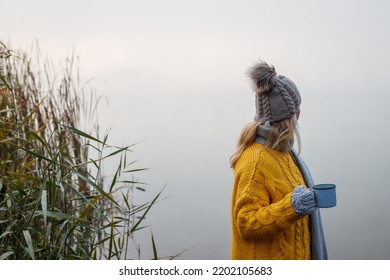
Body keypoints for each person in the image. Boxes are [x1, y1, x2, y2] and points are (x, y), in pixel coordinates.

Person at [230, 61, 327, 260]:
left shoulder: (283, 152)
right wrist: (292, 207)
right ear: (293, 114)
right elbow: (246, 223)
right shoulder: (256, 161)